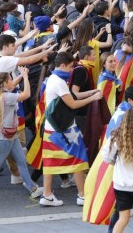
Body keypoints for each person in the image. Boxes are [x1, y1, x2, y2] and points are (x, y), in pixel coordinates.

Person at [40, 52, 102, 207]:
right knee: (79, 159)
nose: (71, 70)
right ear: (62, 65)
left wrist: (91, 92)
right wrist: (93, 98)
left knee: (50, 161)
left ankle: (47, 195)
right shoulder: (60, 82)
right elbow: (73, 104)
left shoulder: (53, 79)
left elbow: (72, 96)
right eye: (69, 67)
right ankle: (82, 195)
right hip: (66, 129)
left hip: (51, 128)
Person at [0, 68, 43, 202]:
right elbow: (27, 94)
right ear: (6, 83)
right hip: (6, 136)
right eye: (11, 79)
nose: (13, 81)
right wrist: (24, 76)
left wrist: (22, 76)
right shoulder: (8, 97)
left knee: (21, 161)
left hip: (7, 135)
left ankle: (32, 188)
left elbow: (14, 87)